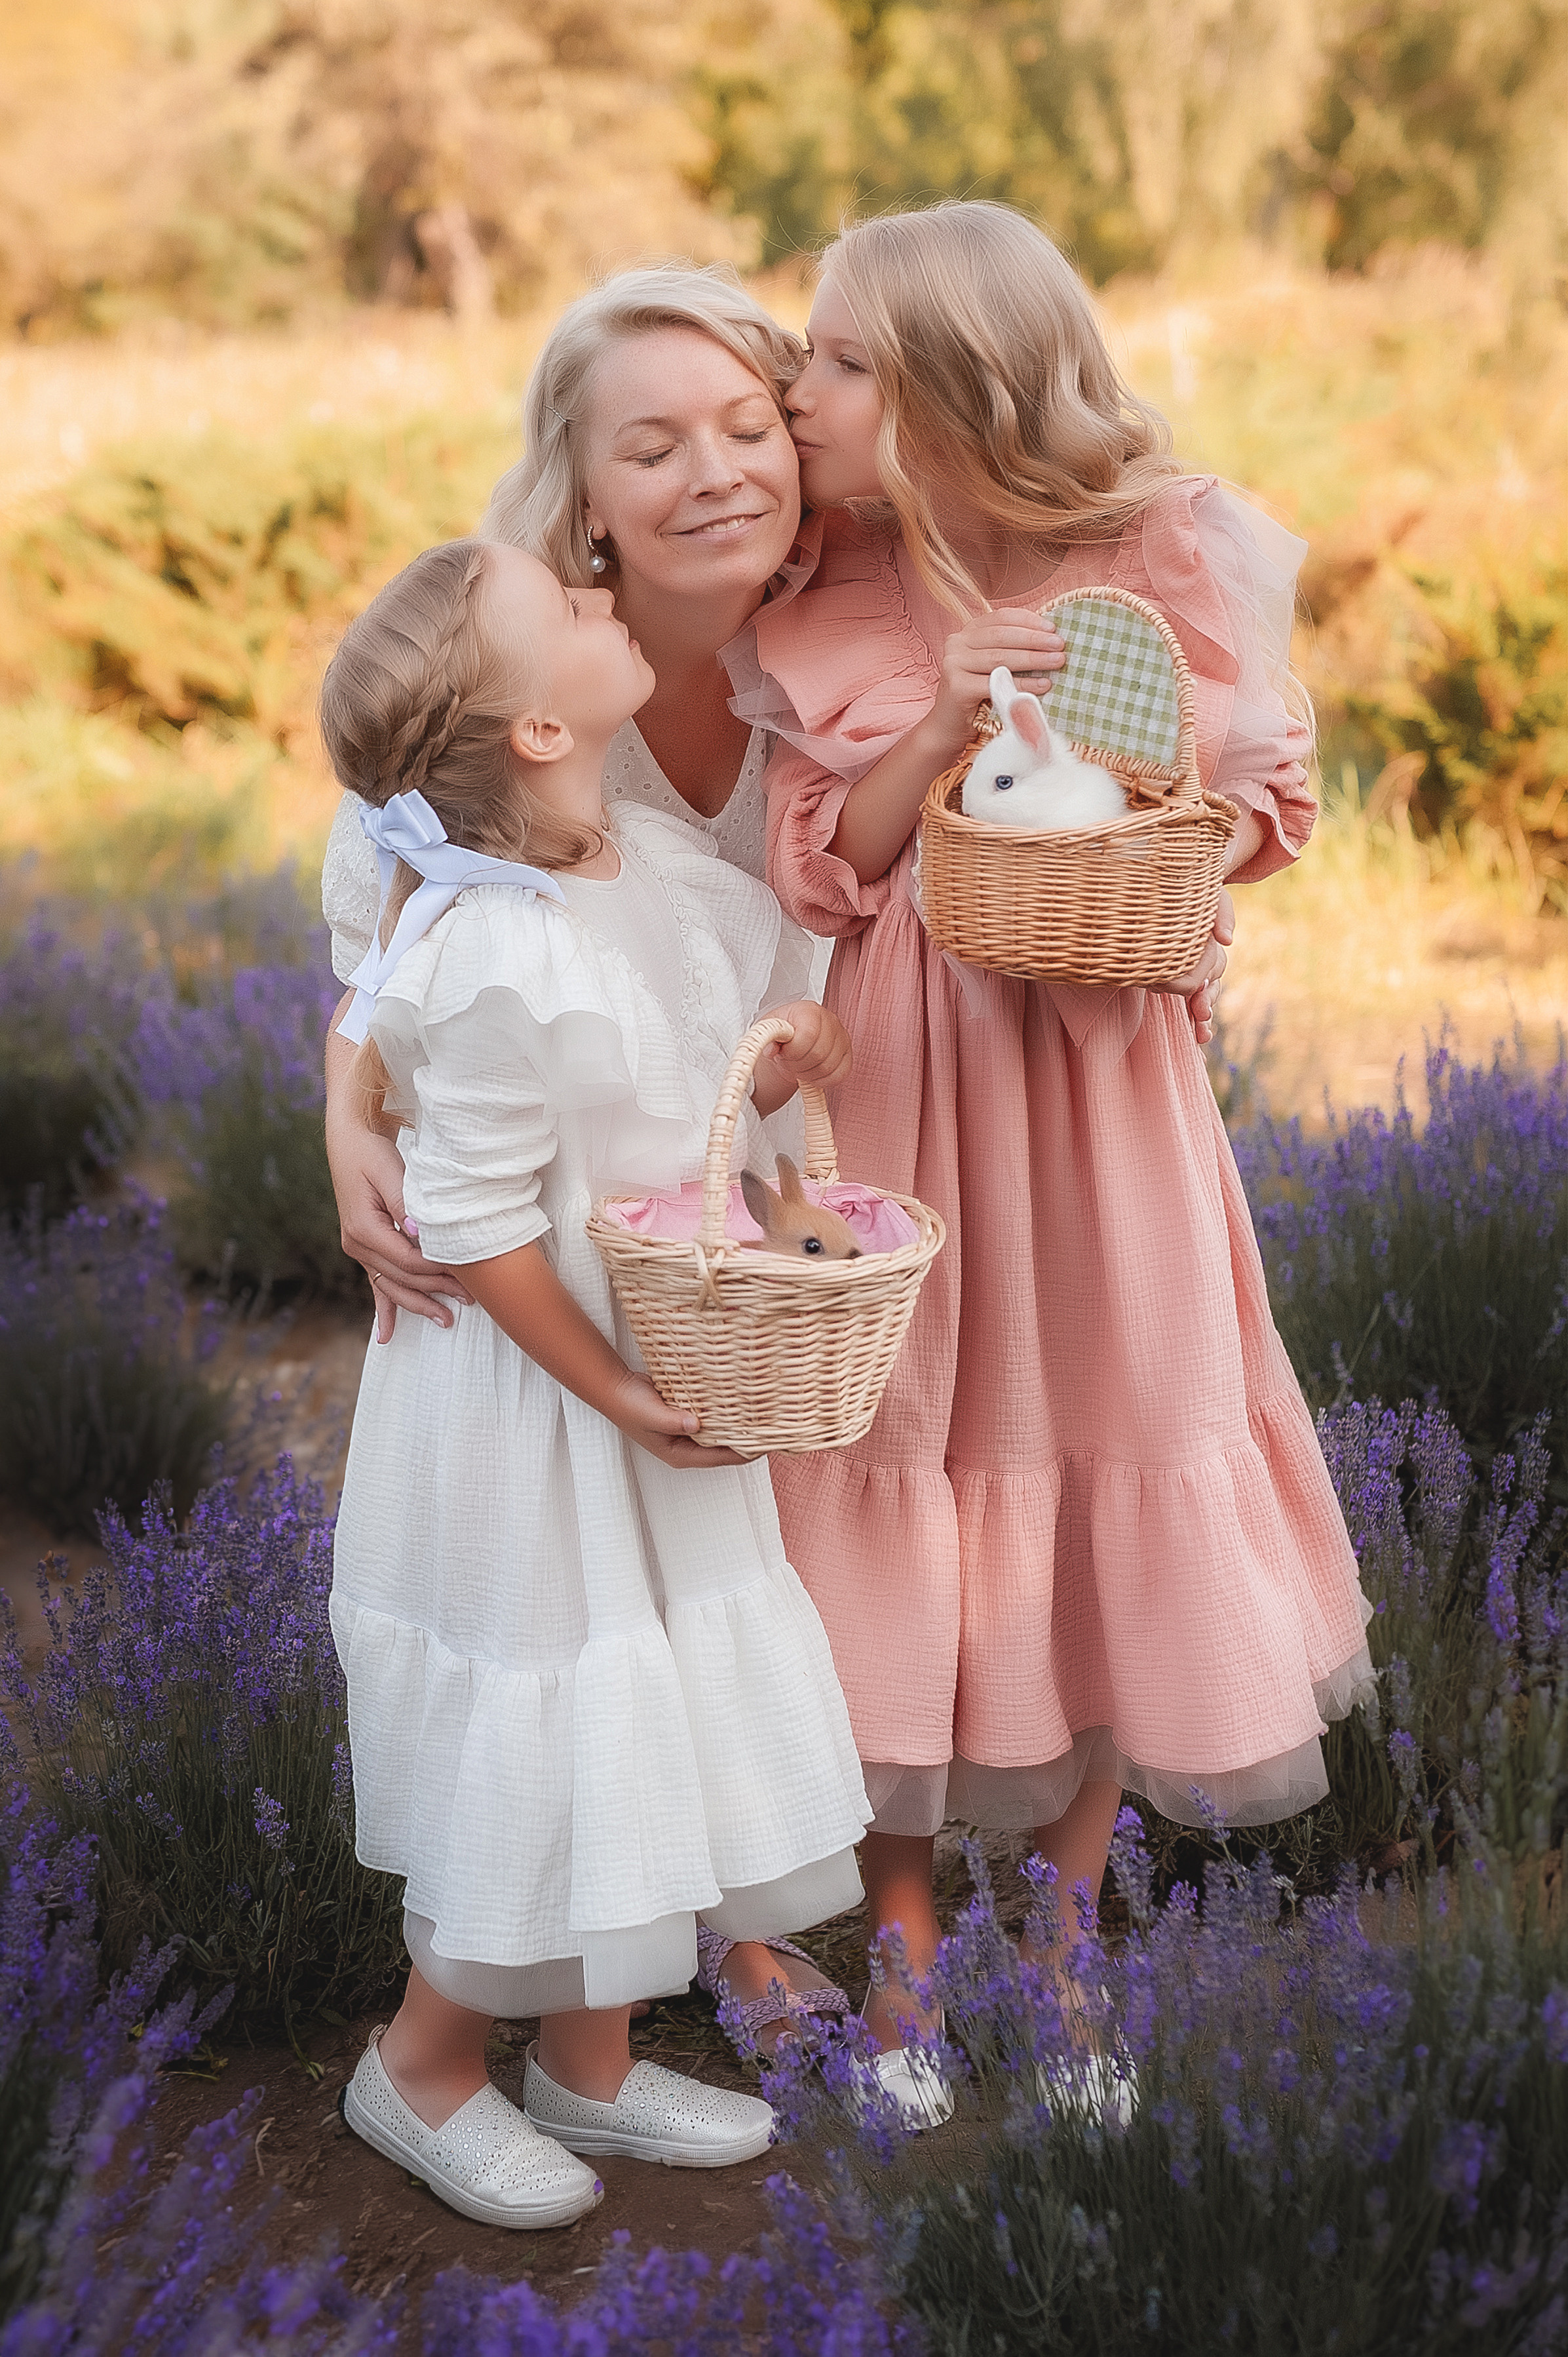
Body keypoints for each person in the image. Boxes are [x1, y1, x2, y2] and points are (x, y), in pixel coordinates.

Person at [741, 202, 1374, 2113]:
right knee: (913, 1452)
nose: (797, 386)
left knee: (1108, 1434)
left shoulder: (1155, 560)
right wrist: (944, 716)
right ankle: (906, 1960)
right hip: (916, 1087)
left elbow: (1263, 802)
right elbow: (825, 866)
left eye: (840, 359)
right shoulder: (834, 582)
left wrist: (1140, 795)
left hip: (1102, 1088)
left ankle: (1068, 1949)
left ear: (953, 388)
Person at [321, 265, 856, 2046]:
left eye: (749, 423)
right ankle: (485, 2035)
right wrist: (345, 1123)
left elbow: (745, 996)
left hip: (707, 1206)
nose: (716, 470)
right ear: (584, 492)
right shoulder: (506, 672)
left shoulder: (834, 652)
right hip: (553, 1249)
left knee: (700, 1570)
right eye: (653, 445)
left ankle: (683, 1940)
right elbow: (397, 937)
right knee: (566, 1603)